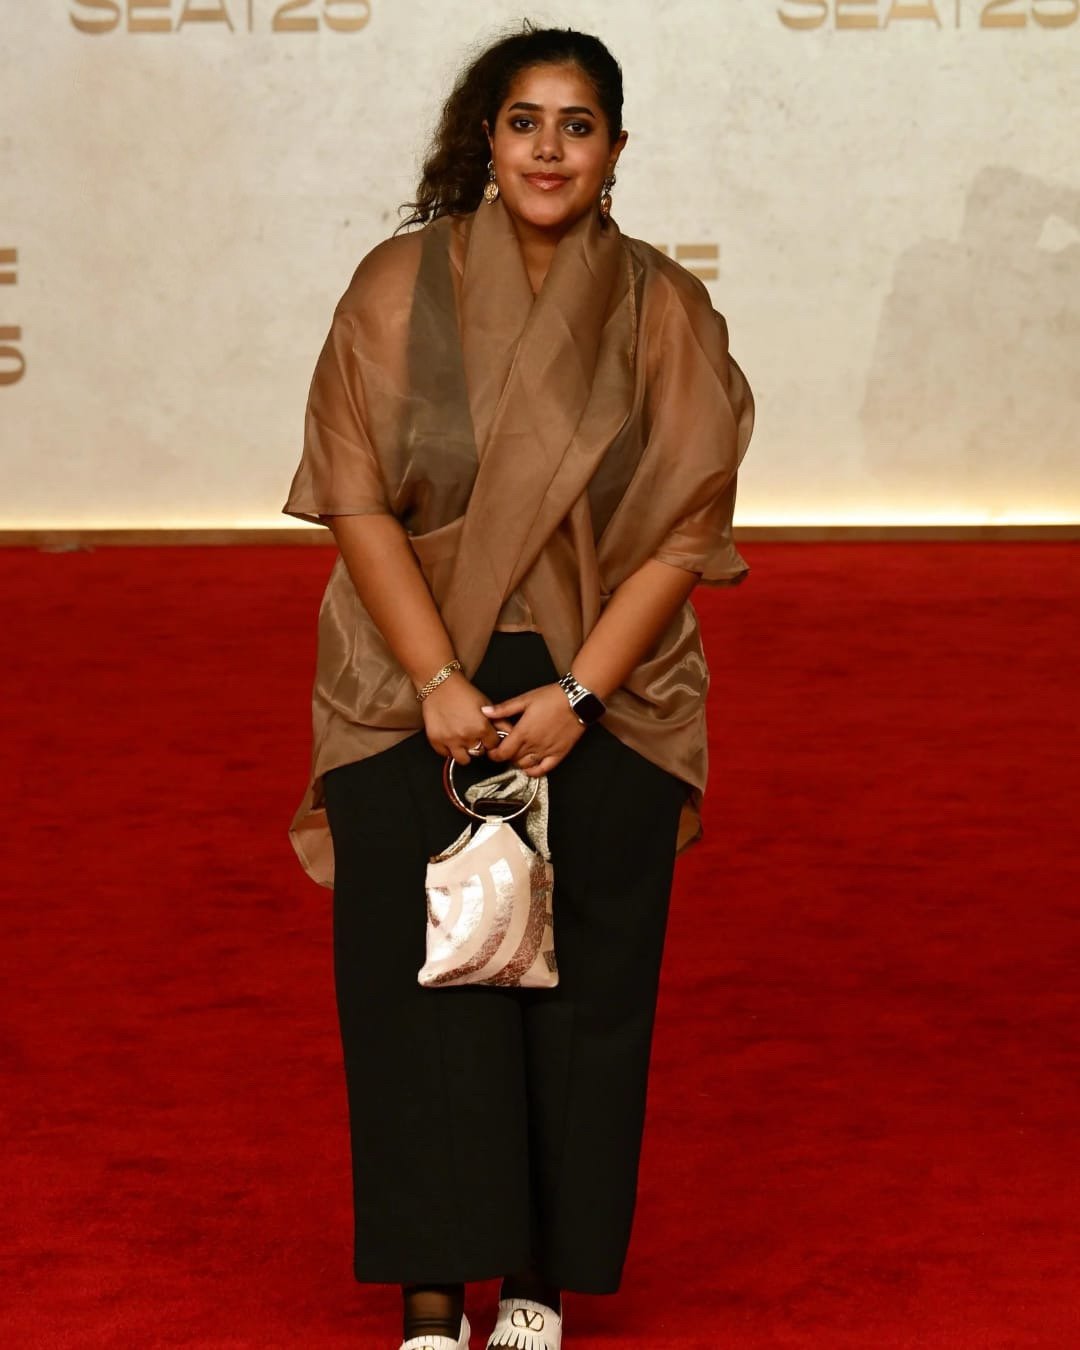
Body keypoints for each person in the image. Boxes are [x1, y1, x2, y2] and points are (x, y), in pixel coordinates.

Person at [283, 24, 754, 1350]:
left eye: (578, 126)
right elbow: (354, 494)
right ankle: (433, 1294)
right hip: (410, 676)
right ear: (485, 140)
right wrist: (435, 677)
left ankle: (540, 1283)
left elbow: (686, 532)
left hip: (601, 681)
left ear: (616, 149)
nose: (550, 150)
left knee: (583, 990)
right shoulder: (394, 285)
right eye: (525, 122)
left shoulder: (665, 307)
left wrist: (582, 699)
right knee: (416, 990)